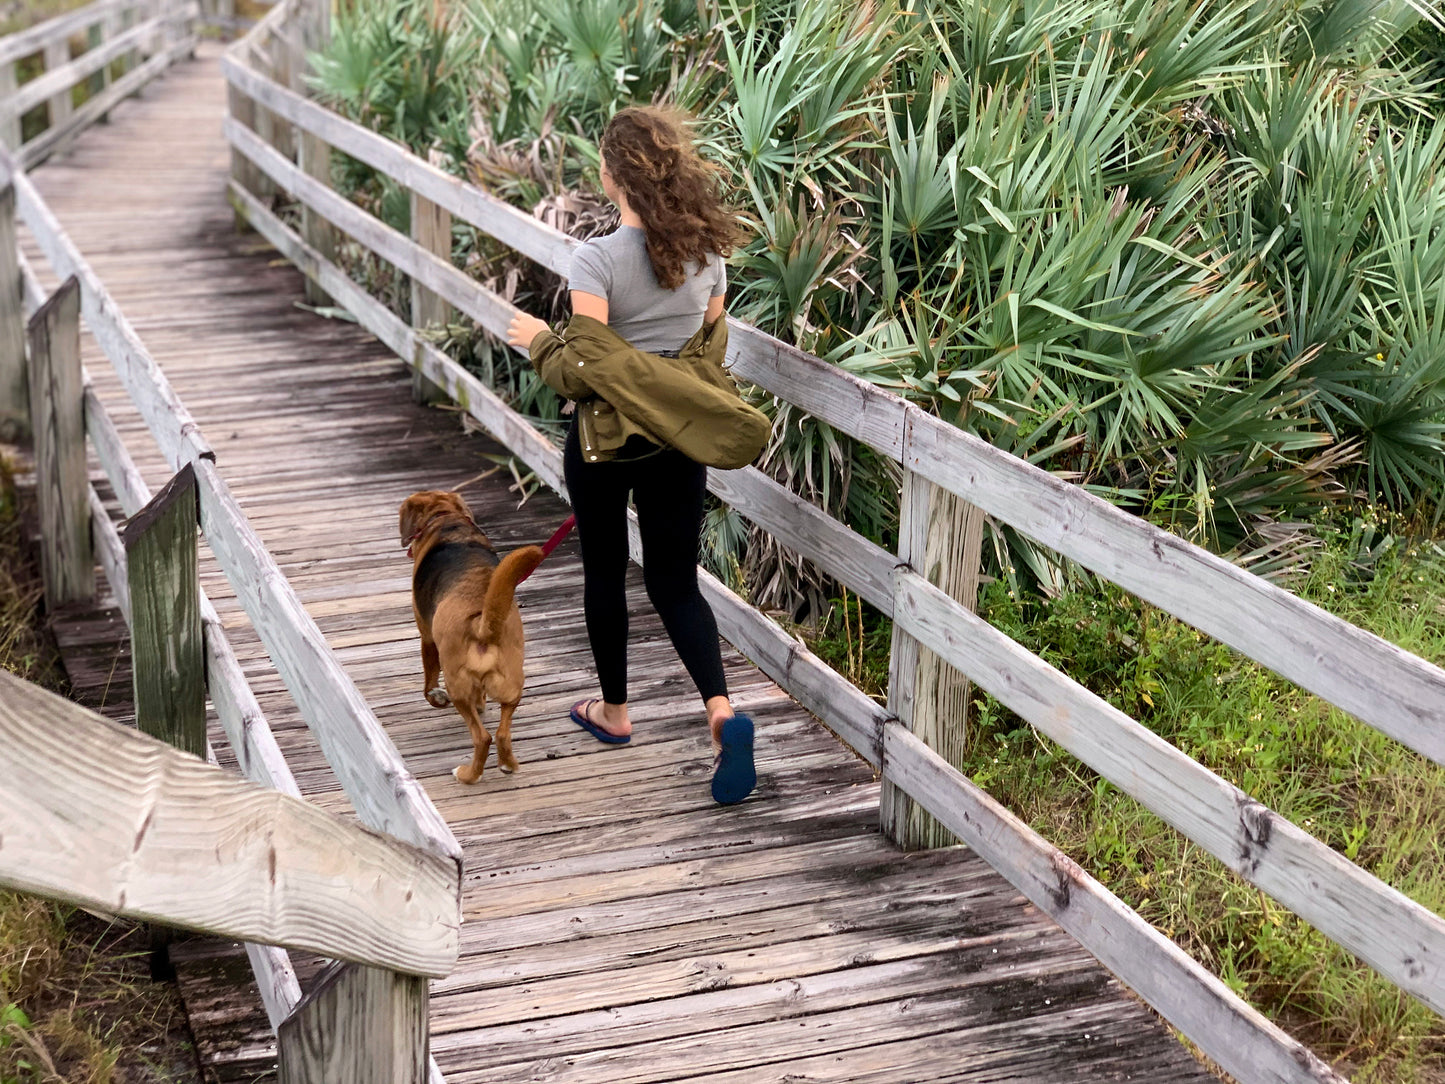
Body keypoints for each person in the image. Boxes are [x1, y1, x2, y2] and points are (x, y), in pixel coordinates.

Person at [505, 105, 756, 805]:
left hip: (604, 444)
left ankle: (614, 713)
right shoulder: (708, 256)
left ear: (612, 177)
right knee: (676, 583)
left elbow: (585, 370)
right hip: (677, 442)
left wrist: (536, 339)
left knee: (606, 575)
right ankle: (720, 710)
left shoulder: (596, 260)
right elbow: (708, 351)